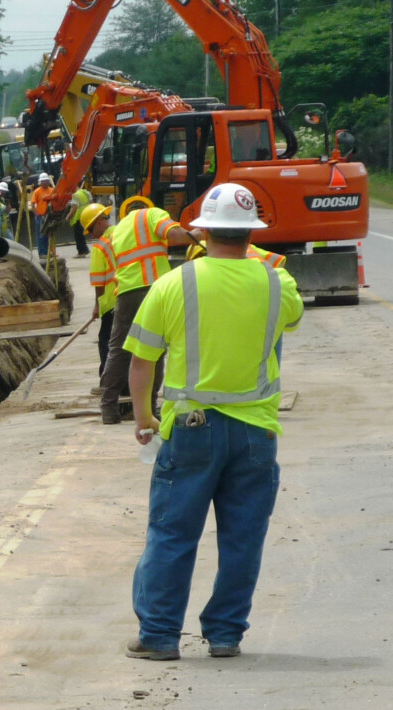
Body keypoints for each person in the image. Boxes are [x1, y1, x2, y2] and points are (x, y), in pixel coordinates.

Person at [122, 182, 303, 662]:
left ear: (201, 230)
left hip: (191, 428)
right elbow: (292, 317)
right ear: (252, 234)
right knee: (243, 538)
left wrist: (144, 416)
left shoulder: (172, 283)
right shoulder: (276, 282)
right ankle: (225, 635)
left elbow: (141, 362)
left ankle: (159, 637)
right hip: (256, 433)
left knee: (172, 532)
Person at [99, 200, 200, 424]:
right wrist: (201, 235)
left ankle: (108, 408)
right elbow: (175, 236)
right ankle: (151, 409)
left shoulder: (119, 229)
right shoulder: (152, 214)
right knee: (155, 350)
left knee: (118, 350)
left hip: (126, 292)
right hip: (155, 289)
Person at [81, 203, 116, 380]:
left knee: (106, 342)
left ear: (99, 222)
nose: (92, 235)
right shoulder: (124, 234)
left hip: (112, 302)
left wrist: (97, 306)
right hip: (133, 297)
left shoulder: (100, 246)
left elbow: (99, 282)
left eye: (91, 229)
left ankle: (107, 380)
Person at [29, 173, 55, 259]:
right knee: (41, 235)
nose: (45, 183)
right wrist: (36, 213)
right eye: (43, 181)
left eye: (46, 181)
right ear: (40, 182)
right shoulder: (37, 191)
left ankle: (47, 251)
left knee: (47, 235)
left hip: (49, 215)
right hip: (41, 216)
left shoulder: (52, 190)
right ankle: (42, 253)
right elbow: (33, 203)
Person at [67, 185, 93, 257]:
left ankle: (81, 252)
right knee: (82, 235)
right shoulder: (85, 192)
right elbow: (91, 202)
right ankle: (85, 250)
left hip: (78, 217)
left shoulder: (75, 195)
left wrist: (68, 217)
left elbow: (74, 208)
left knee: (78, 236)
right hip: (86, 215)